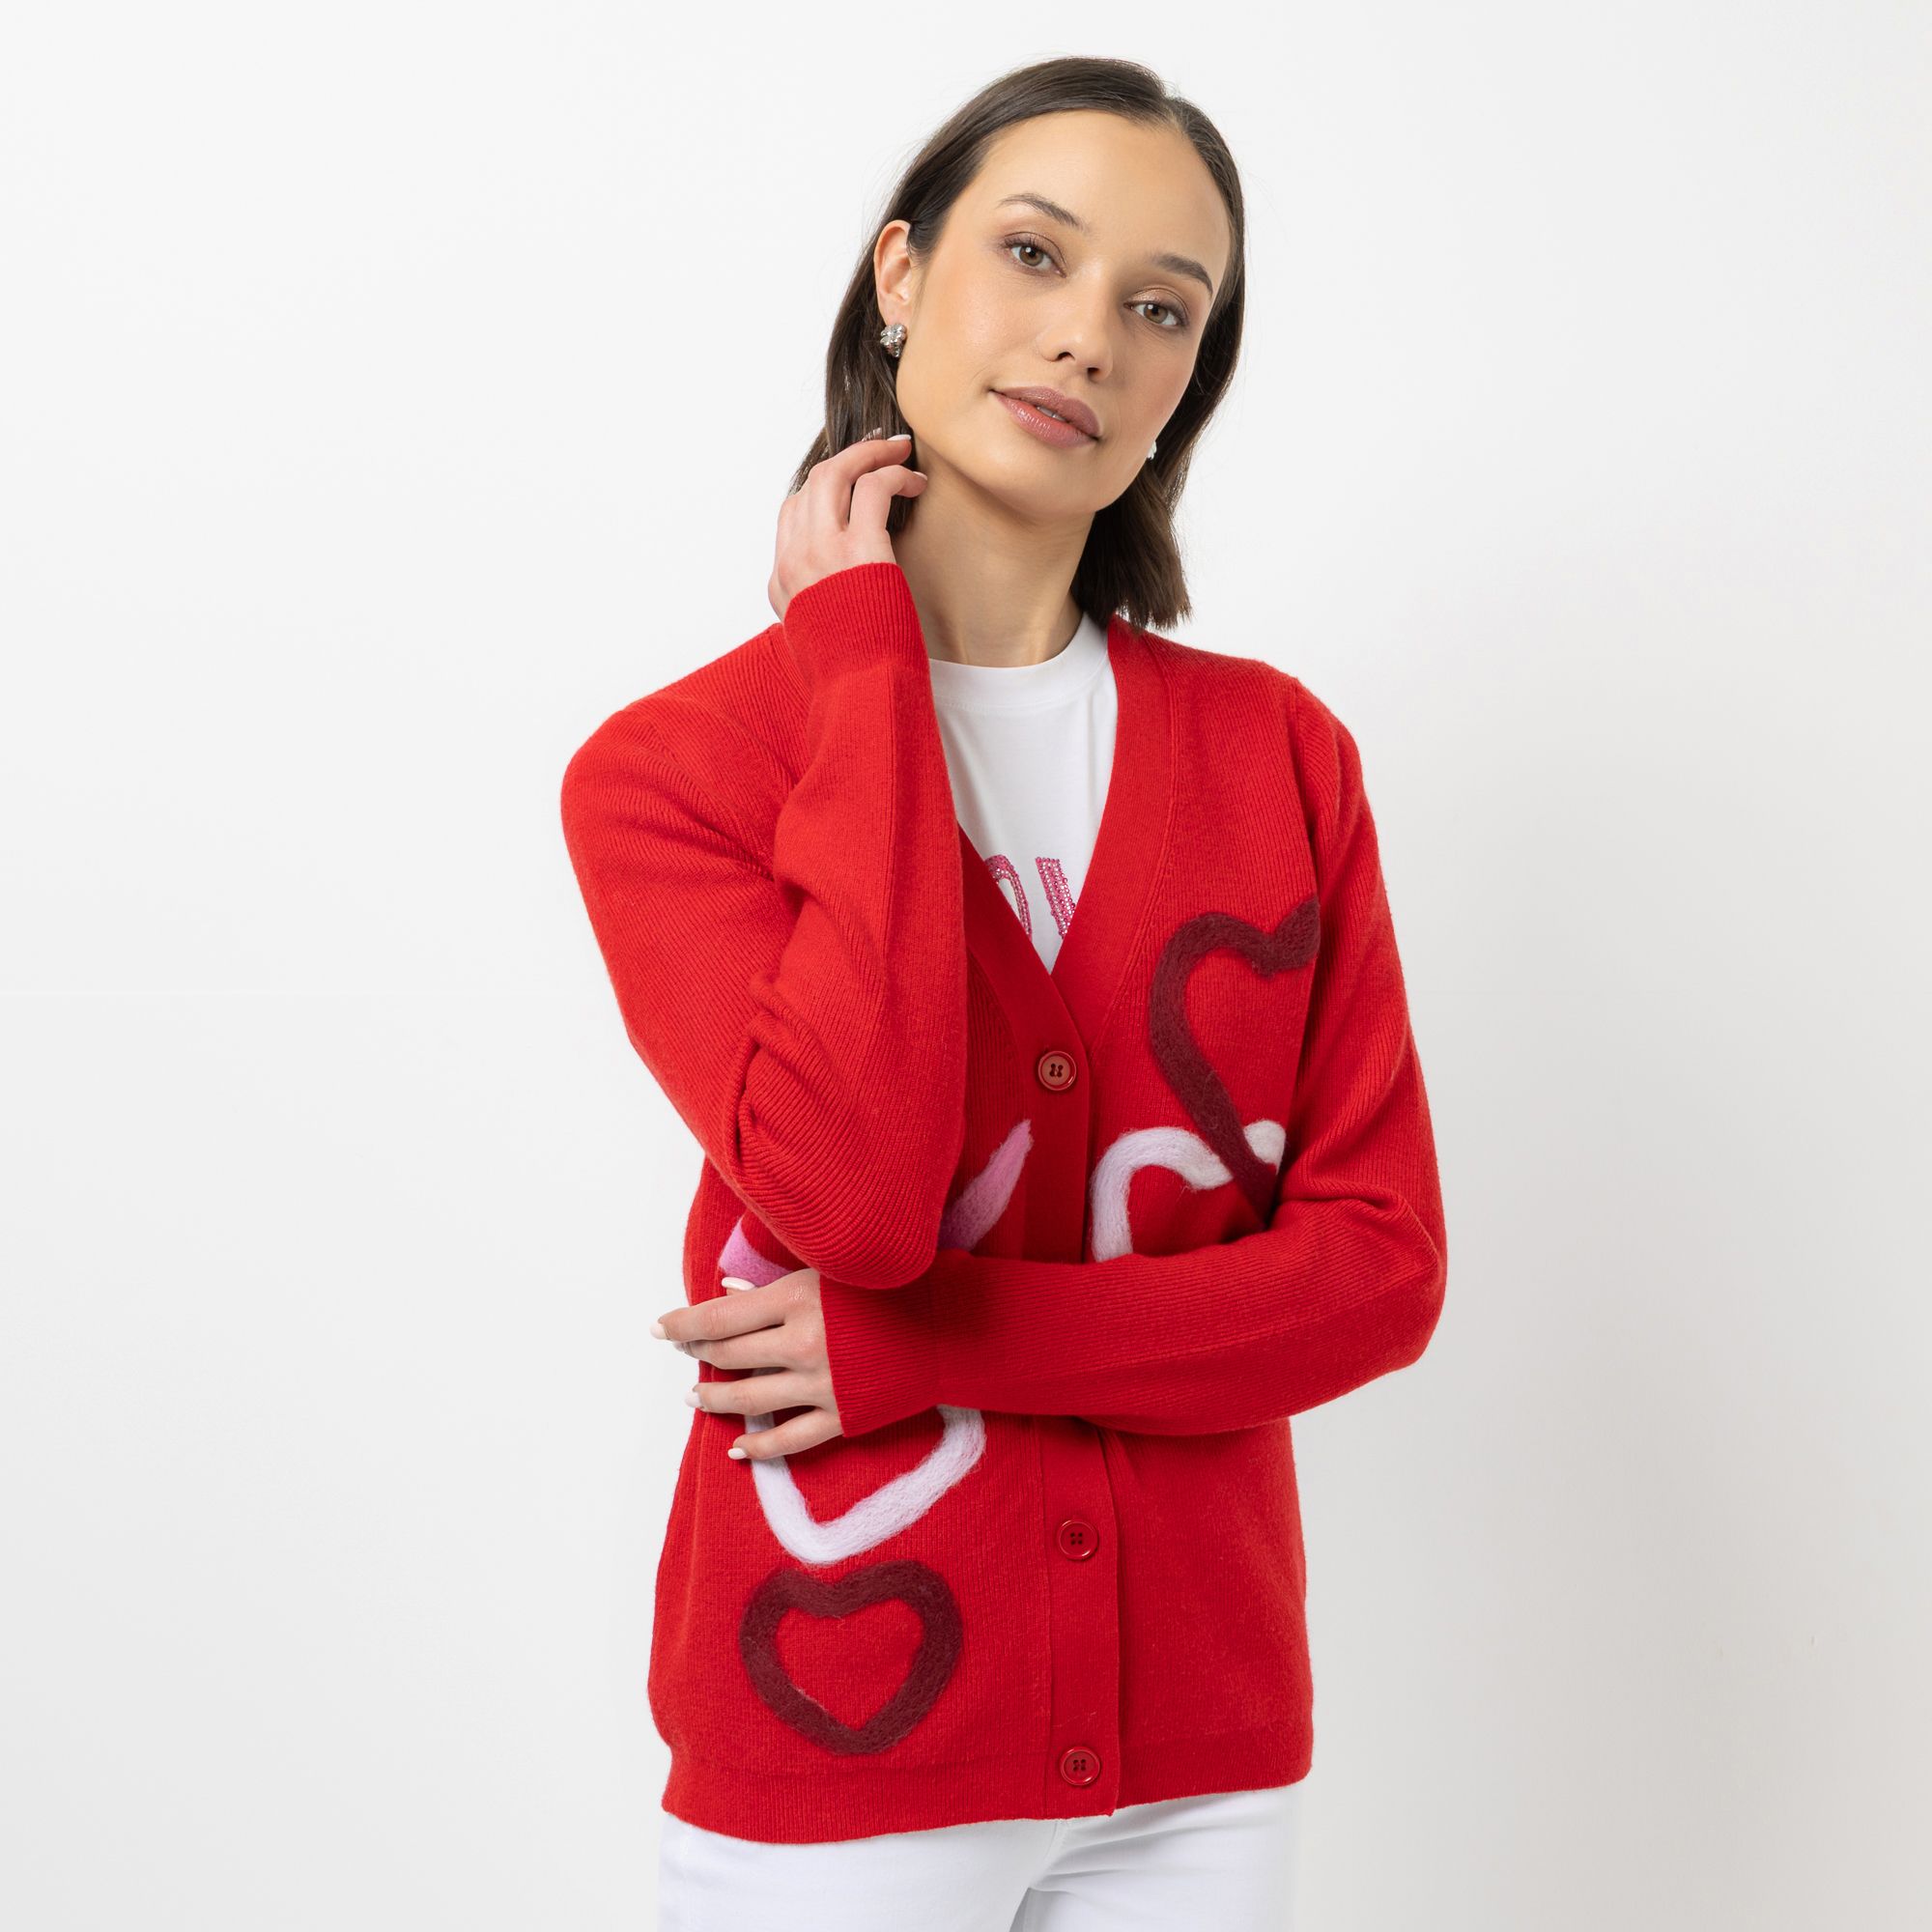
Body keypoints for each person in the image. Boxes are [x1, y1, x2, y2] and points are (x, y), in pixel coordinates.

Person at [560, 54, 1447, 1930]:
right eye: (1034, 254)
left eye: (1161, 308)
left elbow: (1376, 1274)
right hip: (840, 1748)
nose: (1087, 338)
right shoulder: (678, 776)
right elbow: (860, 1201)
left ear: (1187, 383)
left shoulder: (1280, 760)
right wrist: (863, 663)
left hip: (1203, 1754)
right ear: (900, 276)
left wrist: (936, 1349)